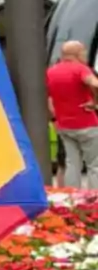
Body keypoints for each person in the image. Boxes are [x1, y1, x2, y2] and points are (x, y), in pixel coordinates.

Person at [46, 40, 98, 188]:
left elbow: (49, 100)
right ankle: (94, 200)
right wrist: (94, 102)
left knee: (72, 163)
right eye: (84, 52)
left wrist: (55, 119)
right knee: (94, 165)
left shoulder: (51, 71)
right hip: (87, 123)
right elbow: (94, 84)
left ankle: (73, 198)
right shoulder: (81, 69)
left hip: (64, 125)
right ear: (78, 53)